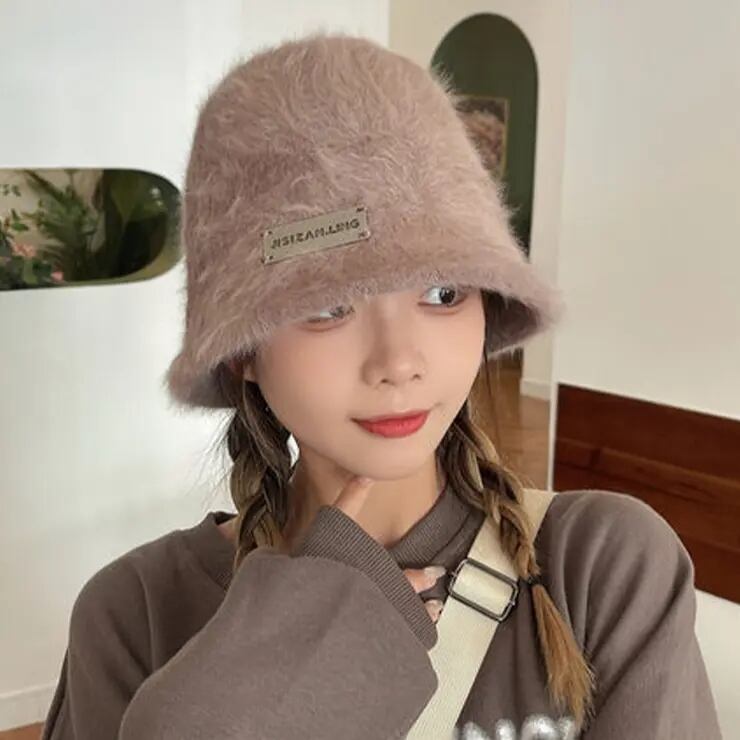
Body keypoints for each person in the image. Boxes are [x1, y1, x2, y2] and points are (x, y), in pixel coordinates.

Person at [40, 31, 721, 740]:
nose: (399, 361)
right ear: (242, 349)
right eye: (327, 307)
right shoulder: (136, 614)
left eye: (442, 292)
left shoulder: (603, 568)